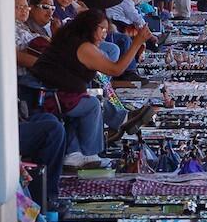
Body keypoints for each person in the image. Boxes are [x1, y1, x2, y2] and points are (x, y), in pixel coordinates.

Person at [32, 9, 153, 167]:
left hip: (54, 92)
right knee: (92, 104)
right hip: (50, 96)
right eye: (102, 29)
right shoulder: (83, 47)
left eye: (106, 30)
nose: (104, 34)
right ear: (89, 27)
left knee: (88, 99)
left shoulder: (72, 41)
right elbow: (116, 70)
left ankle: (74, 154)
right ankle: (90, 154)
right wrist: (137, 42)